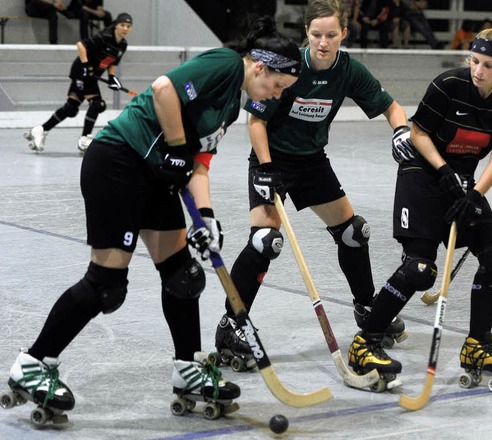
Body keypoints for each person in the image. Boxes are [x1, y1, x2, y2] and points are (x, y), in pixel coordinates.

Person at [5, 16, 301, 420]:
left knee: (183, 276)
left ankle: (188, 369)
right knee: (107, 283)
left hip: (157, 175)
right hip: (119, 162)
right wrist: (177, 146)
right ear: (261, 67)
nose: (275, 95)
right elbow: (164, 90)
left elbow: (199, 163)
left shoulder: (233, 102)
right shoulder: (227, 65)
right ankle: (33, 365)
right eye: (277, 86)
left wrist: (207, 218)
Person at [215, 0, 410, 375]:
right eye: (316, 34)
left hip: (312, 161)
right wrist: (268, 169)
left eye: (331, 35)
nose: (323, 42)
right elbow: (255, 123)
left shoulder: (348, 70)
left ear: (344, 35)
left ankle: (367, 307)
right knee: (264, 243)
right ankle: (232, 324)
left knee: (354, 233)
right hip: (271, 158)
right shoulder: (290, 66)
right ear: (306, 33)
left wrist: (400, 130)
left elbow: (392, 106)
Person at [356, 28, 492, 387]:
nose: (478, 70)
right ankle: (365, 342)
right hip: (422, 173)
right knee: (420, 270)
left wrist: (475, 196)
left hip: (464, 183)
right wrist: (443, 170)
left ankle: (477, 345)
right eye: (475, 61)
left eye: (489, 65)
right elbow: (418, 132)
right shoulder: (447, 84)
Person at [24, 13, 132, 154]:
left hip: (92, 75)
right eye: (122, 25)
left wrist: (112, 78)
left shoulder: (123, 45)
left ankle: (40, 130)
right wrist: (88, 66)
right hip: (82, 70)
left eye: (128, 26)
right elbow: (81, 46)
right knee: (97, 104)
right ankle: (84, 138)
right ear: (116, 25)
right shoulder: (105, 36)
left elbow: (113, 62)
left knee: (71, 108)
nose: (125, 28)